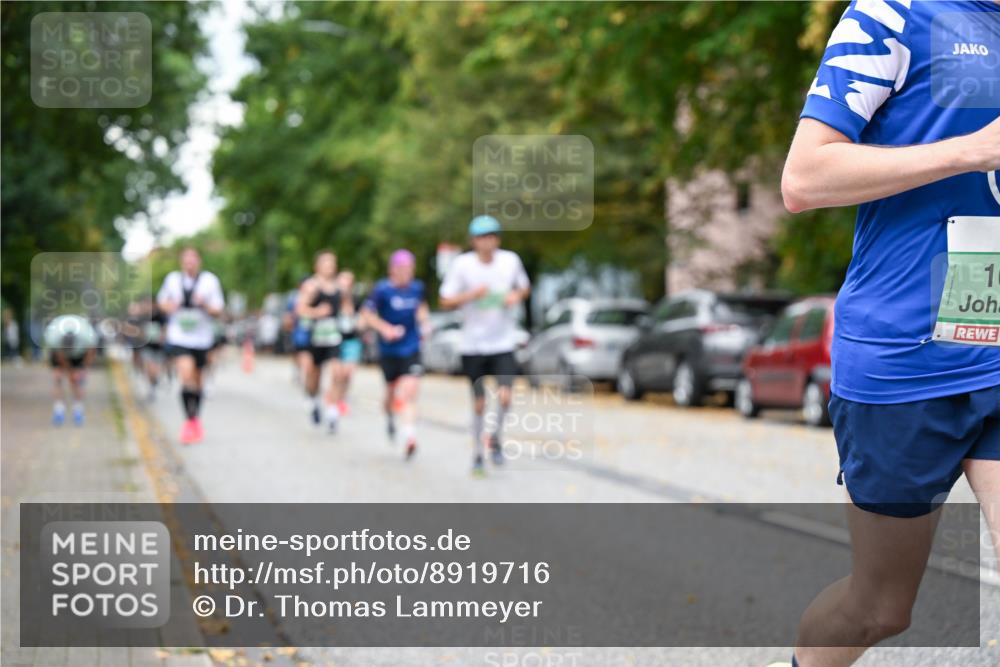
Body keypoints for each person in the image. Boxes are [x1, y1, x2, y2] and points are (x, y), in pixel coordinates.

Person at [775, 2, 1000, 666]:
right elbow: (803, 179)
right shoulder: (892, 13)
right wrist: (971, 150)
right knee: (879, 608)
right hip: (905, 355)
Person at [439, 215, 531, 476]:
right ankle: (478, 454)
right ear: (473, 241)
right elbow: (445, 300)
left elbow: (524, 288)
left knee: (505, 396)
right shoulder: (462, 265)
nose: (487, 242)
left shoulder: (510, 261)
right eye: (481, 238)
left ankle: (496, 437)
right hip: (473, 345)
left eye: (491, 237)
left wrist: (515, 295)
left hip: (502, 341)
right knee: (479, 403)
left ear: (497, 239)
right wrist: (471, 295)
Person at [362, 250, 429, 460]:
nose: (406, 273)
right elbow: (366, 315)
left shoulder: (417, 288)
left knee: (409, 391)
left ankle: (410, 436)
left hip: (411, 347)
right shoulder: (382, 289)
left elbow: (422, 308)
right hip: (389, 350)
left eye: (409, 268)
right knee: (391, 394)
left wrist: (424, 323)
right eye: (402, 269)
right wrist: (385, 329)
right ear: (393, 270)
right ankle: (390, 417)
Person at [157, 247, 225, 445]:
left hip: (202, 338)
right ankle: (189, 421)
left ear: (199, 261)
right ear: (181, 262)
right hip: (179, 337)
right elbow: (162, 303)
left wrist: (203, 304)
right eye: (186, 260)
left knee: (198, 381)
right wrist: (172, 305)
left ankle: (195, 418)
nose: (189, 263)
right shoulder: (172, 280)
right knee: (185, 375)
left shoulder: (209, 281)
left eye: (193, 260)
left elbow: (218, 309)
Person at [296, 250, 353, 433]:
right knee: (314, 376)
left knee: (337, 373)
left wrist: (348, 316)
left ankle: (332, 411)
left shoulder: (339, 288)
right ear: (318, 266)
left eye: (332, 263)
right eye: (326, 263)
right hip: (316, 337)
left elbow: (346, 306)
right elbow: (300, 309)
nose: (330, 266)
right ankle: (313, 400)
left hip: (334, 337)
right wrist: (317, 312)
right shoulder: (312, 286)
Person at [43, 313, 98, 426]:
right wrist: (69, 372)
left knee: (77, 381)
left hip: (80, 355)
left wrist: (83, 369)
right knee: (57, 378)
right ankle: (59, 409)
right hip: (59, 353)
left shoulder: (87, 337)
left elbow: (91, 353)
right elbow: (60, 358)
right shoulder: (53, 338)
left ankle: (78, 409)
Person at [335, 270, 361, 416]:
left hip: (352, 339)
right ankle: (335, 397)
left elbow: (363, 317)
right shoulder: (333, 300)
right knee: (339, 374)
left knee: (348, 373)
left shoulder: (356, 300)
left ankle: (342, 398)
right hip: (336, 340)